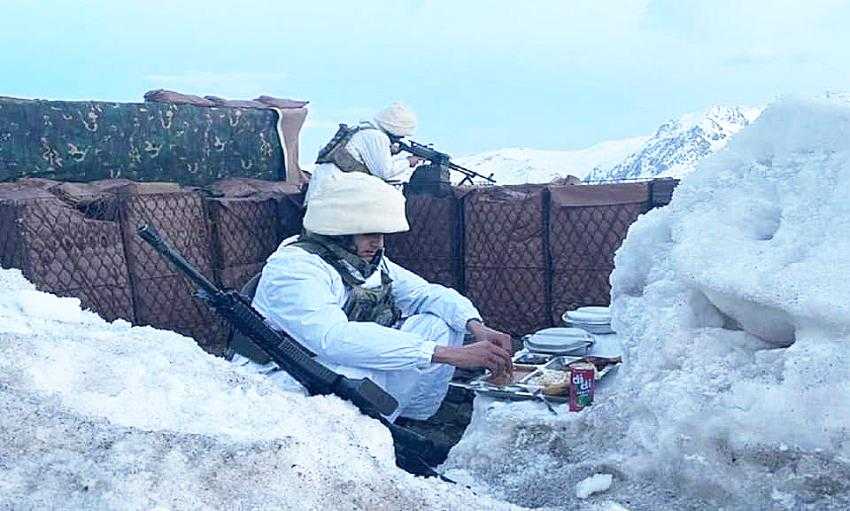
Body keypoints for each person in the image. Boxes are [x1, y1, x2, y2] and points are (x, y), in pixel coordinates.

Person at [233, 171, 512, 421]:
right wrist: (447, 354)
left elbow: (426, 294)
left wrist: (476, 327)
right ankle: (366, 434)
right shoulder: (294, 267)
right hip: (287, 374)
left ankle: (405, 419)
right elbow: (332, 339)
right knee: (363, 376)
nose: (377, 243)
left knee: (440, 324)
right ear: (339, 231)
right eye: (368, 233)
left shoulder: (363, 260)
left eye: (380, 233)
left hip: (332, 359)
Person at [306, 102, 424, 202]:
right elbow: (384, 172)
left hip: (325, 185)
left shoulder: (366, 131)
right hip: (335, 188)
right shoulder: (376, 136)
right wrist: (408, 162)